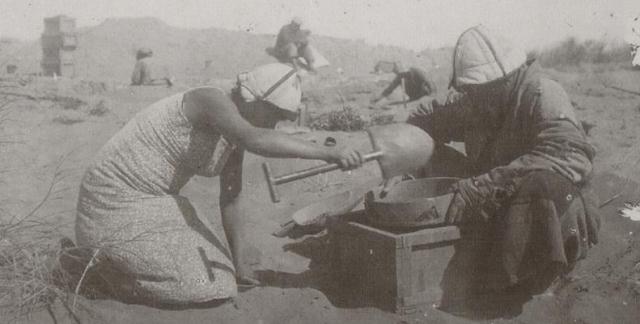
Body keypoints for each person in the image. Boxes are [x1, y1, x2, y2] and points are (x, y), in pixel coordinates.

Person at [74, 63, 363, 305]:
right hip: (112, 199)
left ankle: (109, 264)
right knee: (210, 287)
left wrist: (239, 263)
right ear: (255, 99)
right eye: (274, 116)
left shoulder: (234, 129)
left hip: (154, 201)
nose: (274, 126)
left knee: (222, 275)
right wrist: (329, 153)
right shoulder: (210, 100)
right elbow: (255, 139)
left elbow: (231, 197)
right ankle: (100, 276)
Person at [391, 25, 600, 296]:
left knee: (542, 186)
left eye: (479, 89)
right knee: (426, 152)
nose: (472, 97)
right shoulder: (478, 101)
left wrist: (484, 185)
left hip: (545, 206)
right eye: (470, 90)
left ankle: (535, 277)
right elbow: (423, 120)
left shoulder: (542, 94)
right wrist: (403, 151)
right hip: (496, 206)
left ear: (506, 79)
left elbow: (569, 157)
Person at [371, 62, 437, 105]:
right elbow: (389, 89)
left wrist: (432, 95)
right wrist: (378, 99)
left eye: (397, 70)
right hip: (414, 97)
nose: (397, 72)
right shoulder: (400, 76)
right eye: (396, 71)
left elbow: (429, 82)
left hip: (424, 95)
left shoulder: (416, 71)